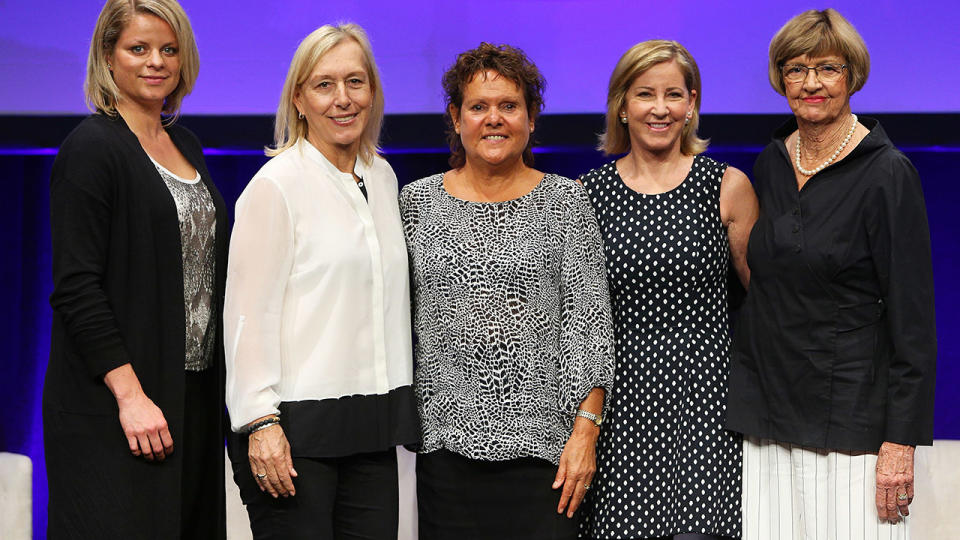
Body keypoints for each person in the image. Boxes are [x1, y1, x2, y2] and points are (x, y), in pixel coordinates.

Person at [726, 9, 937, 540]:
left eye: (827, 68)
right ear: (780, 80)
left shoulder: (888, 174)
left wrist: (900, 443)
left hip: (852, 429)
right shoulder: (771, 163)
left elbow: (913, 323)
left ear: (853, 75)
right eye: (795, 69)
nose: (811, 83)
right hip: (767, 421)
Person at [399, 43, 615, 540]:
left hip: (548, 459)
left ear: (532, 117)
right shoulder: (417, 203)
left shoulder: (566, 201)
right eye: (478, 107)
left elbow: (589, 325)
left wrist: (586, 432)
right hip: (445, 457)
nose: (493, 119)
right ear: (456, 118)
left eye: (509, 106)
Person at [223, 23, 417, 540]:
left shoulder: (382, 177)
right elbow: (247, 315)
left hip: (372, 428)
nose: (343, 99)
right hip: (293, 436)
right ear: (299, 98)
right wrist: (260, 423)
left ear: (373, 92)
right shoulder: (276, 187)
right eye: (324, 84)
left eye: (355, 82)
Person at [44, 0, 227, 538]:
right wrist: (131, 396)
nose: (156, 62)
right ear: (108, 56)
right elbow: (76, 288)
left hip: (188, 395)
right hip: (118, 407)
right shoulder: (90, 149)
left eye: (169, 50)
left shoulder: (184, 143)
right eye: (138, 49)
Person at [577, 40, 758, 540]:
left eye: (673, 95)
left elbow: (763, 305)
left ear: (692, 103)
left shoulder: (726, 186)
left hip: (707, 412)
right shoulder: (588, 195)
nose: (659, 108)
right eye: (644, 94)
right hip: (620, 415)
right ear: (622, 104)